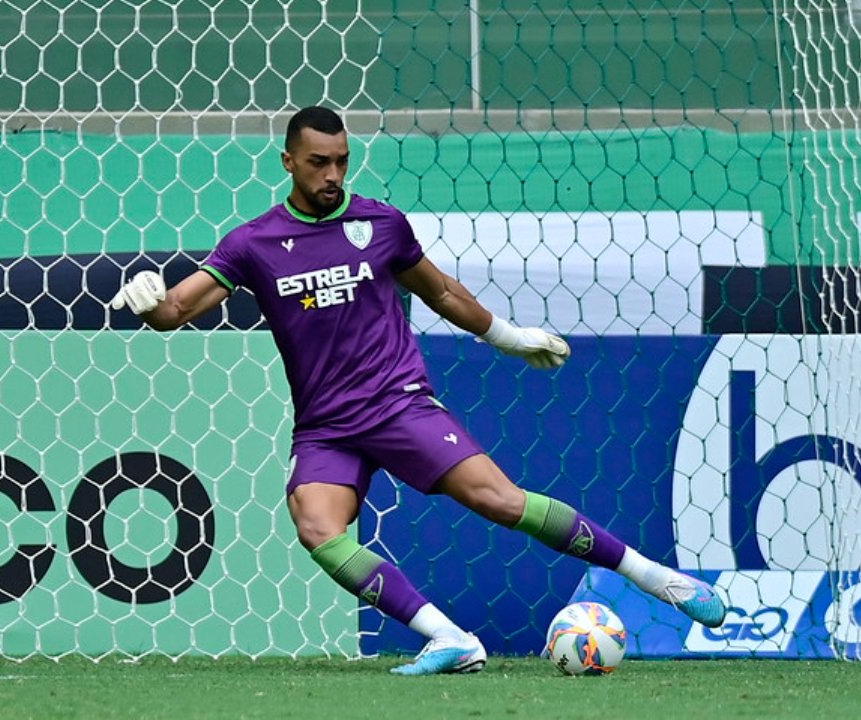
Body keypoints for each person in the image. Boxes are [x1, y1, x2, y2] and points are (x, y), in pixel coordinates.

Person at [109, 106, 727, 675]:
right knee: (317, 527)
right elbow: (175, 311)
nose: (332, 174)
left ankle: (659, 581)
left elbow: (442, 291)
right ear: (289, 162)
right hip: (326, 425)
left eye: (342, 161)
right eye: (319, 162)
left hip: (397, 402)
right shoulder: (254, 244)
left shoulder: (378, 223)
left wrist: (511, 338)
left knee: (502, 503)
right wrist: (146, 299)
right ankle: (449, 638)